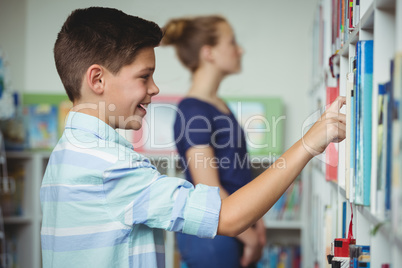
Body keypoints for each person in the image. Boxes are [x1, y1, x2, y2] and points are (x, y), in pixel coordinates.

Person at [40, 6, 346, 268]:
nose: (155, 88)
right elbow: (226, 215)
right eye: (144, 76)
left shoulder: (67, 154)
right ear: (97, 79)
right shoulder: (110, 167)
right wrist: (308, 143)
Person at [161, 16, 266, 268]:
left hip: (236, 227)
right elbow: (208, 188)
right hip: (214, 236)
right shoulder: (193, 111)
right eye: (231, 42)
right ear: (208, 53)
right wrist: (251, 237)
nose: (239, 49)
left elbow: (239, 172)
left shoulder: (217, 105)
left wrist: (257, 222)